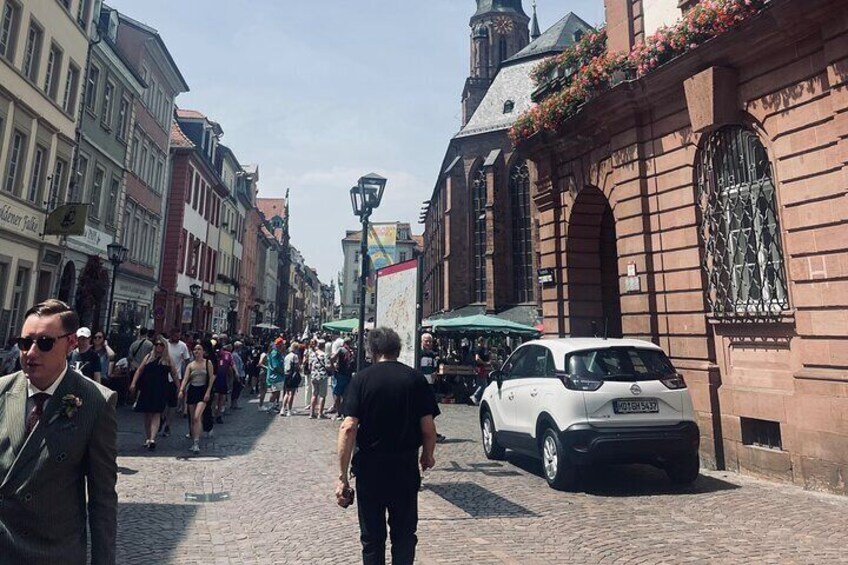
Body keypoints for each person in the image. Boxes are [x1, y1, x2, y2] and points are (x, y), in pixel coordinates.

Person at [0, 299, 117, 564]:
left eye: (44, 343)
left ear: (70, 343)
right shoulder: (3, 391)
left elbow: (102, 500)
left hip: (54, 553)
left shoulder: (95, 403)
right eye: (24, 342)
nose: (30, 353)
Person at [336, 327, 438, 565]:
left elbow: (348, 427)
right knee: (404, 535)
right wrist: (428, 456)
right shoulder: (415, 379)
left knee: (372, 538)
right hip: (404, 467)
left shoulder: (362, 379)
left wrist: (342, 477)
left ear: (372, 351)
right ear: (397, 350)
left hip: (370, 469)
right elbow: (428, 427)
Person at [129, 336, 179, 450]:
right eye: (157, 344)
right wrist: (133, 383)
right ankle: (148, 437)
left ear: (165, 347)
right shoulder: (148, 357)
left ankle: (152, 438)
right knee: (147, 414)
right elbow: (139, 370)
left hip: (161, 388)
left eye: (161, 345)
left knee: (157, 413)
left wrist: (179, 388)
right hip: (147, 388)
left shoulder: (168, 359)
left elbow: (174, 374)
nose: (159, 347)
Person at [178, 343, 215, 453]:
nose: (197, 351)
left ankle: (196, 442)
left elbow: (211, 378)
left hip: (202, 391)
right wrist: (181, 389)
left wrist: (208, 392)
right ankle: (195, 441)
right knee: (192, 419)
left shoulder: (208, 363)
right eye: (195, 349)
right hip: (193, 391)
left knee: (196, 416)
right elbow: (185, 378)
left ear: (203, 352)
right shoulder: (190, 365)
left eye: (199, 349)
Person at [419, 333, 446, 443]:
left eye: (430, 341)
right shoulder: (419, 353)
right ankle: (429, 432)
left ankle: (429, 431)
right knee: (428, 410)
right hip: (421, 385)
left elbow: (433, 368)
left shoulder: (432, 354)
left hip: (430, 384)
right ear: (421, 341)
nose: (428, 343)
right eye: (426, 341)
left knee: (432, 410)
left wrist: (436, 372)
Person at [330, 337, 354, 420]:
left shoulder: (341, 349)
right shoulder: (353, 351)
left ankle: (339, 412)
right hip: (349, 375)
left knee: (336, 393)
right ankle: (344, 412)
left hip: (340, 374)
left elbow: (332, 359)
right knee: (345, 394)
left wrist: (333, 369)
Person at [213, 342, 235, 424]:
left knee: (221, 397)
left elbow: (231, 365)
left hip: (223, 379)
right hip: (214, 379)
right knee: (215, 397)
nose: (218, 352)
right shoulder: (214, 356)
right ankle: (213, 414)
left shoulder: (227, 355)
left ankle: (219, 415)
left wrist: (235, 374)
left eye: (219, 351)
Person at [308, 338, 330, 418]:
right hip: (322, 376)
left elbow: (309, 366)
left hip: (314, 376)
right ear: (323, 346)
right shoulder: (324, 355)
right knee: (322, 395)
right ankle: (320, 414)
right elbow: (327, 366)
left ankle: (311, 413)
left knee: (314, 395)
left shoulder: (312, 354)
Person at [280, 342, 301, 417]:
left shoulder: (286, 356)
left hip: (286, 375)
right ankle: (289, 410)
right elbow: (297, 366)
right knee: (291, 393)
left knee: (286, 393)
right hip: (292, 376)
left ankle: (282, 409)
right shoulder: (295, 356)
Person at [265, 338, 286, 412]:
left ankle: (273, 406)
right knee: (274, 393)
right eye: (282, 344)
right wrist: (283, 372)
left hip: (278, 376)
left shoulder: (278, 352)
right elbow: (275, 366)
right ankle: (270, 407)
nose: (284, 345)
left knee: (277, 392)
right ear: (279, 345)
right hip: (275, 376)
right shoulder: (275, 353)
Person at [470, 337, 491, 405]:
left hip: (479, 368)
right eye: (483, 342)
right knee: (483, 385)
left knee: (479, 384)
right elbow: (477, 359)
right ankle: (475, 395)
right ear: (481, 342)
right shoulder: (478, 349)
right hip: (480, 368)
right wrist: (485, 363)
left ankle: (479, 399)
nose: (484, 344)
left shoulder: (481, 349)